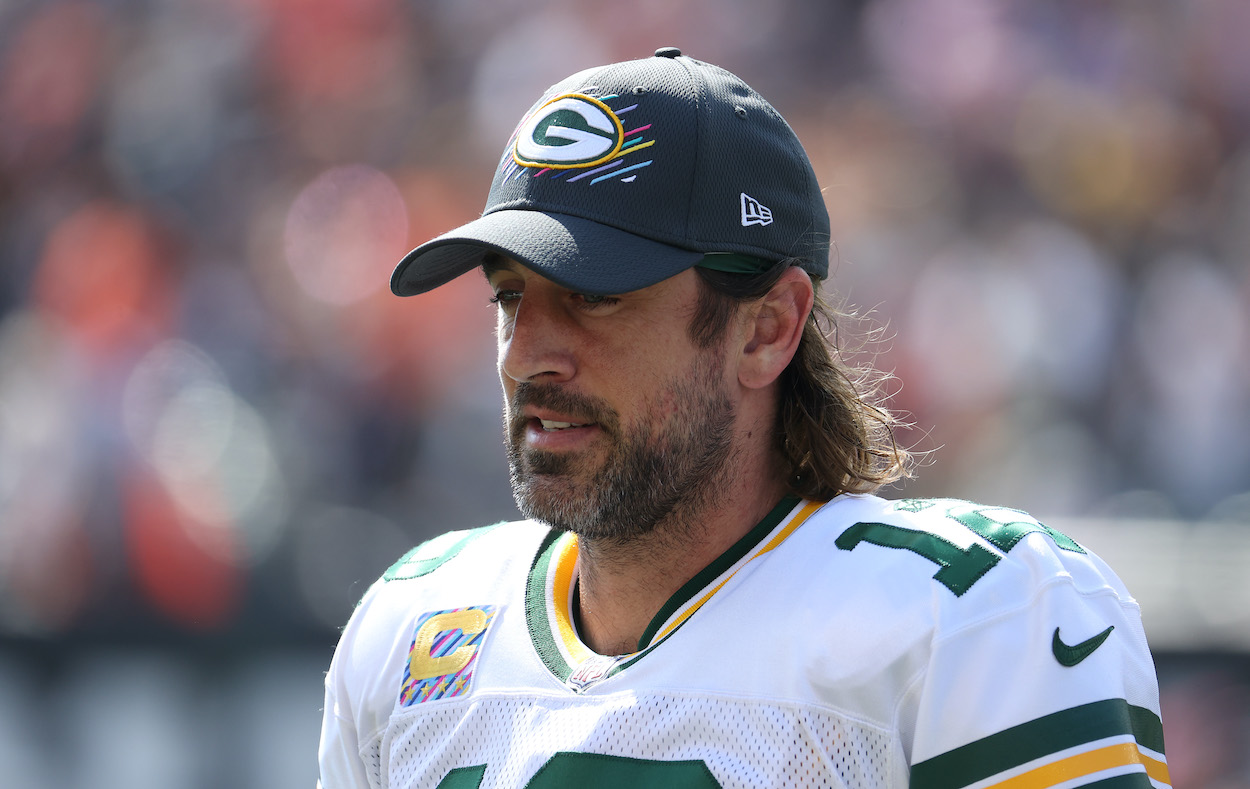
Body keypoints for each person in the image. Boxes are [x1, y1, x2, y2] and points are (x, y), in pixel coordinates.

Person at [318, 48, 1169, 788]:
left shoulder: (974, 615)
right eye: (510, 297)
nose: (525, 354)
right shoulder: (415, 625)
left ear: (766, 329)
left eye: (594, 295)